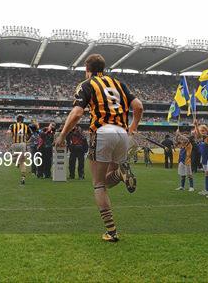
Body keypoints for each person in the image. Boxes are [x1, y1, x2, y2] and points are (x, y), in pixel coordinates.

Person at [55, 54, 143, 242]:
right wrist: (133, 127)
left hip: (102, 132)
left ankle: (111, 232)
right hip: (122, 133)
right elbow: (139, 106)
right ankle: (120, 173)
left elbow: (77, 113)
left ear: (87, 69)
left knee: (98, 185)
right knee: (107, 181)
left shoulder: (86, 84)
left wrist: (62, 135)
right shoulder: (118, 83)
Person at [8, 114, 32, 184]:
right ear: (23, 120)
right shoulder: (26, 126)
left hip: (15, 144)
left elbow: (9, 133)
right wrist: (27, 141)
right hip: (23, 144)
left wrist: (11, 139)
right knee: (23, 162)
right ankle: (23, 177)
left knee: (13, 160)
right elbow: (31, 134)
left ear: (17, 120)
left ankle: (17, 162)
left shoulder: (12, 125)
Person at [193, 121, 208, 195]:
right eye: (201, 130)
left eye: (203, 130)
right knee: (207, 174)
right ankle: (207, 189)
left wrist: (196, 126)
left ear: (207, 131)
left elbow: (199, 135)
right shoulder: (202, 139)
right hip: (204, 160)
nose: (202, 132)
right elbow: (198, 135)